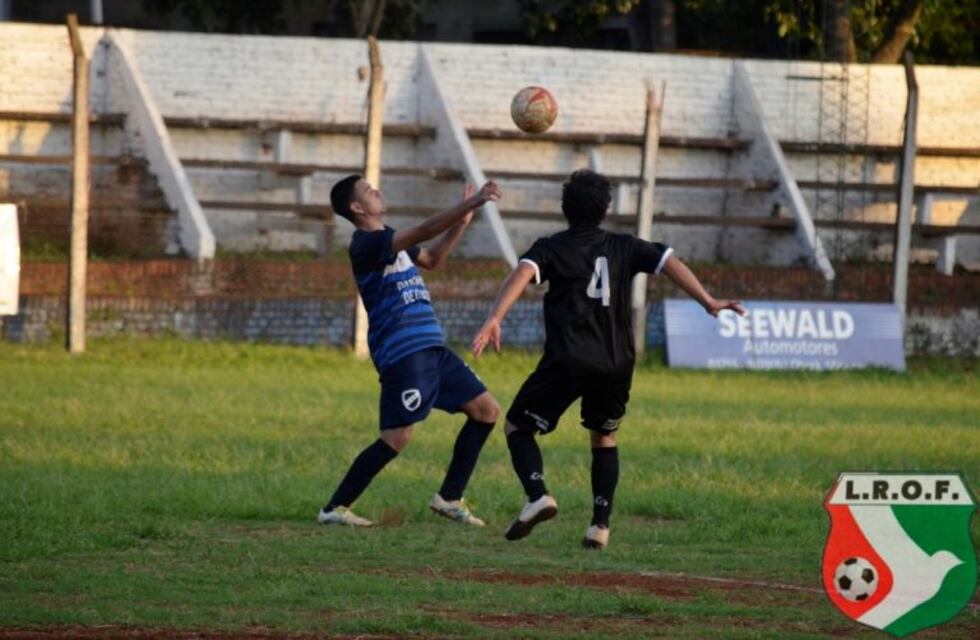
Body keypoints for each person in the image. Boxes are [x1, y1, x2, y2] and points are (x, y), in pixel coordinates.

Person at [472, 169, 746, 549]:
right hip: (615, 362)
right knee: (604, 437)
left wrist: (496, 317)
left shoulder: (551, 247)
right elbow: (669, 261)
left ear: (565, 209)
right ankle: (599, 526)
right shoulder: (625, 246)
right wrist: (709, 301)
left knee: (518, 426)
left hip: (568, 359)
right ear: (606, 209)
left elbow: (521, 273)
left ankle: (538, 495)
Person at [319, 175, 503, 528]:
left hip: (431, 347)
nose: (377, 191)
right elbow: (421, 231)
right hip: (404, 352)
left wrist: (461, 225)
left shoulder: (389, 239)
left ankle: (449, 498)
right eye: (369, 191)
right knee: (397, 437)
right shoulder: (367, 244)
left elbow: (432, 258)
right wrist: (472, 203)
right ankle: (334, 508)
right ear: (357, 208)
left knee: (486, 411)